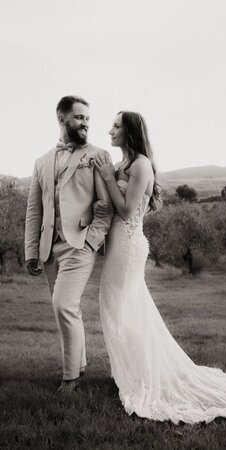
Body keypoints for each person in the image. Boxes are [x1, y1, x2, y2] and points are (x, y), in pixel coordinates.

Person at [93, 111, 226, 424]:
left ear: (130, 131)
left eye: (116, 125)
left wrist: (106, 179)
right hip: (116, 245)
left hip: (129, 246)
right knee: (119, 309)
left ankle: (142, 376)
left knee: (123, 309)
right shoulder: (119, 166)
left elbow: (129, 210)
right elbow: (111, 203)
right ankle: (131, 371)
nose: (110, 130)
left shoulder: (141, 164)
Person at [25, 96, 113, 392]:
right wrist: (31, 252)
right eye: (79, 118)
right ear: (62, 119)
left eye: (87, 118)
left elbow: (106, 205)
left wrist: (91, 241)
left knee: (64, 305)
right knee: (63, 308)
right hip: (49, 248)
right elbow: (34, 210)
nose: (85, 123)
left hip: (79, 245)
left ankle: (70, 378)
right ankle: (81, 364)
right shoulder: (41, 162)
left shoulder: (98, 155)